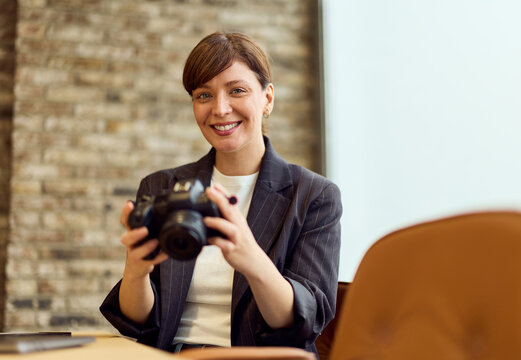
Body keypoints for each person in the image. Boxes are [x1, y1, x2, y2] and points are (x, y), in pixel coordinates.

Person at [100, 32, 342, 357]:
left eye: (237, 90)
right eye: (204, 95)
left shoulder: (313, 195)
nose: (220, 108)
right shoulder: (162, 187)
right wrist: (136, 271)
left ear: (267, 98)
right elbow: (138, 323)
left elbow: (302, 322)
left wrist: (251, 258)